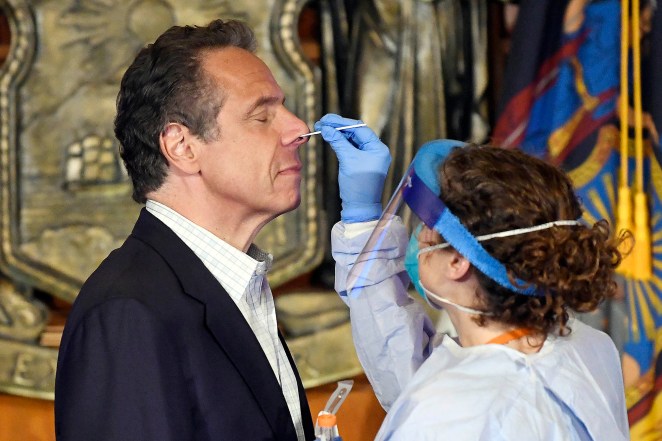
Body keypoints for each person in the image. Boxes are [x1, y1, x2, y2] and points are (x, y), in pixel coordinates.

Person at [55, 19, 315, 441]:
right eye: (262, 115)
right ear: (182, 146)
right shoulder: (128, 313)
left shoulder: (231, 285)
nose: (299, 129)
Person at [315, 113, 630, 440]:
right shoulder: (588, 349)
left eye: (427, 227)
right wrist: (362, 220)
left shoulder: (451, 415)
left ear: (458, 262)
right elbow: (426, 375)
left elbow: (451, 405)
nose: (418, 237)